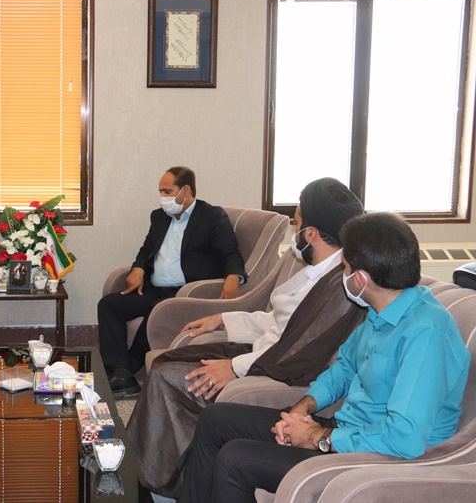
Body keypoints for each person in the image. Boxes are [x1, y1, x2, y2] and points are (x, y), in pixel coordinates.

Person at [179, 211, 470, 503]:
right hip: (346, 432)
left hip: (381, 456)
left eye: (345, 268)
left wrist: (315, 437)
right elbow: (343, 370)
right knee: (216, 418)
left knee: (236, 460)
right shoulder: (378, 313)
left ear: (360, 279)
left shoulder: (426, 333)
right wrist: (302, 408)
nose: (342, 274)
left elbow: (404, 437)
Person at [128, 177, 366, 498]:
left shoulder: (339, 283)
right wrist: (222, 319)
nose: (294, 231)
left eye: (297, 223)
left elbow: (296, 350)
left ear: (311, 234)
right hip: (261, 353)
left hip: (271, 368)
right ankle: (146, 471)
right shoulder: (316, 269)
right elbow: (277, 321)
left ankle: (154, 479)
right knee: (164, 364)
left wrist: (233, 368)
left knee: (167, 378)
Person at [99, 166, 247, 396]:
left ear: (185, 190)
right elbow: (147, 249)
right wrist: (138, 267)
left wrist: (234, 276)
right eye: (160, 192)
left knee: (156, 310)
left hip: (184, 293)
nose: (163, 197)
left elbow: (230, 253)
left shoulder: (211, 216)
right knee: (109, 305)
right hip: (154, 289)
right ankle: (118, 371)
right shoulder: (159, 217)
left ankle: (127, 371)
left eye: (167, 191)